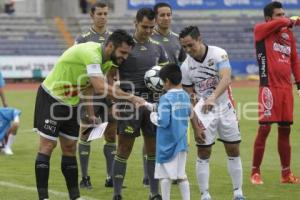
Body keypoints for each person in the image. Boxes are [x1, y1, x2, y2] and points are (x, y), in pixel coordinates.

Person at [33, 29, 145, 200]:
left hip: (72, 102)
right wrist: (131, 98)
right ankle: (43, 197)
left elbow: (89, 87)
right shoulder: (91, 53)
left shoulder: (107, 62)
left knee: (70, 147)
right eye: (123, 52)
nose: (125, 57)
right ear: (109, 46)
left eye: (127, 54)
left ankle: (75, 196)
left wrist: (91, 113)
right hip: (51, 97)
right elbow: (101, 88)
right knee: (48, 146)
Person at [179, 26, 245, 200]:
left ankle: (238, 193)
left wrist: (213, 97)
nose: (188, 50)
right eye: (184, 47)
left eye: (190, 45)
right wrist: (195, 124)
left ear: (199, 39)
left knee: (233, 148)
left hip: (225, 108)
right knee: (203, 151)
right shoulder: (185, 66)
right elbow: (189, 97)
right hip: (204, 113)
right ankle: (205, 194)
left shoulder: (218, 54)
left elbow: (226, 77)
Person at [112, 7, 168, 200]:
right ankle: (117, 193)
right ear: (135, 23)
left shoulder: (158, 48)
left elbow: (166, 76)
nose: (148, 30)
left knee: (153, 149)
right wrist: (118, 100)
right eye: (144, 26)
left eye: (151, 27)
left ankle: (154, 193)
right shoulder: (125, 47)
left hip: (153, 104)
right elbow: (109, 79)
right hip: (130, 104)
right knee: (124, 148)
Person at [250, 1, 300, 185]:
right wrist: (289, 20)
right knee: (264, 129)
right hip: (268, 88)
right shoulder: (261, 30)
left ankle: (286, 174)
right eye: (279, 15)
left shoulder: (288, 34)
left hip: (286, 89)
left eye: (284, 14)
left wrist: (299, 83)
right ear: (269, 18)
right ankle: (255, 172)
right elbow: (281, 23)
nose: (283, 17)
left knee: (285, 130)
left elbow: (294, 59)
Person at [138, 3, 187, 187]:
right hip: (153, 91)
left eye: (169, 15)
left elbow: (183, 65)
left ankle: (174, 172)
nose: (166, 18)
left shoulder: (177, 39)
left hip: (174, 92)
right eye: (162, 15)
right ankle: (148, 173)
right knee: (151, 135)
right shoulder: (150, 37)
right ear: (155, 17)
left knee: (175, 132)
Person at [75, 2, 116, 189]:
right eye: (99, 13)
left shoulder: (114, 38)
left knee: (110, 135)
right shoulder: (82, 39)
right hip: (89, 93)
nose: (103, 17)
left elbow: (115, 69)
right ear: (92, 15)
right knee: (87, 133)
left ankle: (110, 177)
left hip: (108, 93)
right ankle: (85, 178)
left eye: (105, 13)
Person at [153, 63, 191, 200]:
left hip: (167, 144)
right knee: (182, 175)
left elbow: (163, 121)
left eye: (163, 82)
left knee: (165, 177)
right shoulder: (186, 96)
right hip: (181, 143)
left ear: (167, 81)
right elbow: (188, 113)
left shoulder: (165, 98)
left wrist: (154, 117)